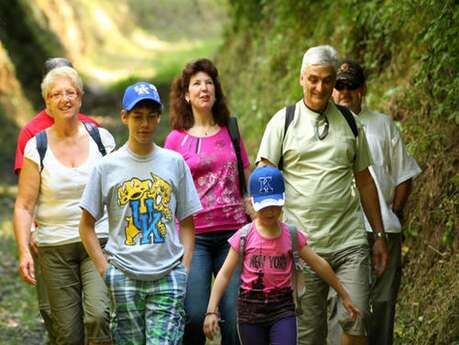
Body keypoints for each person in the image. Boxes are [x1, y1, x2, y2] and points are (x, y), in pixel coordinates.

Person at [256, 45, 389, 345]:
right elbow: (265, 181)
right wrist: (266, 239)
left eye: (327, 80)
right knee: (307, 334)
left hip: (349, 242)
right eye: (313, 79)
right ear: (301, 78)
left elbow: (365, 181)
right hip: (302, 248)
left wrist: (378, 235)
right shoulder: (284, 121)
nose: (320, 87)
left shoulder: (351, 123)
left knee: (357, 321)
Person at [79, 81, 202, 345]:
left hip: (168, 275)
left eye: (150, 117)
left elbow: (189, 222)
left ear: (159, 117)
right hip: (123, 276)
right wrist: (105, 271)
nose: (144, 124)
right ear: (124, 117)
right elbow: (86, 226)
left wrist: (184, 269)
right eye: (137, 117)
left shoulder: (174, 162)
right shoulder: (106, 167)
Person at [13, 66, 114, 345]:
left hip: (98, 241)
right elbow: (23, 205)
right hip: (54, 247)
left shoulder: (101, 140)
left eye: (70, 92)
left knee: (98, 316)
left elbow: (119, 194)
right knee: (67, 333)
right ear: (47, 103)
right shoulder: (37, 146)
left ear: (80, 98)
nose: (64, 99)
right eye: (56, 94)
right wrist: (24, 251)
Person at [203, 166, 360, 345]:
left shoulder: (292, 235)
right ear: (251, 203)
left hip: (283, 311)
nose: (270, 211)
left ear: (283, 200)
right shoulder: (244, 236)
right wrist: (211, 310)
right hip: (250, 314)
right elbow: (224, 274)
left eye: (274, 205)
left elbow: (319, 264)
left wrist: (344, 295)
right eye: (264, 206)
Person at [330, 60, 421, 345]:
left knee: (382, 304)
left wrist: (393, 212)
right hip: (341, 232)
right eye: (339, 86)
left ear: (363, 90)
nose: (344, 92)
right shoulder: (324, 125)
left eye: (351, 86)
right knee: (343, 305)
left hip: (383, 230)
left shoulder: (384, 125)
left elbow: (404, 174)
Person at [164, 58, 250, 345]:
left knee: (235, 317)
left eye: (209, 82)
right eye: (197, 84)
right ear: (186, 95)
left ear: (216, 91)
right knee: (193, 314)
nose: (204, 88)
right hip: (195, 237)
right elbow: (168, 193)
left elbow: (245, 182)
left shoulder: (231, 131)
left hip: (234, 236)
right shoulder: (176, 141)